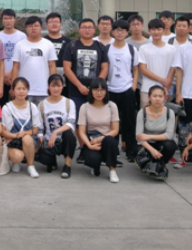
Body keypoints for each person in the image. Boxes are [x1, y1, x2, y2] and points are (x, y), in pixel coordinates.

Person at [105, 19, 139, 161]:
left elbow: (136, 69)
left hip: (127, 89)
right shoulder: (107, 48)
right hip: (110, 89)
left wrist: (133, 86)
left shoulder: (131, 49)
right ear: (112, 31)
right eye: (117, 30)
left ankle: (131, 150)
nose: (120, 33)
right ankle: (113, 150)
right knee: (111, 122)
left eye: (123, 30)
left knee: (129, 121)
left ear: (127, 32)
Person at [62, 18, 110, 118]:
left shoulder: (100, 47)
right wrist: (79, 86)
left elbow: (105, 68)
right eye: (84, 27)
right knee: (77, 118)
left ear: (94, 30)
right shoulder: (71, 46)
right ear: (79, 30)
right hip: (75, 91)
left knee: (95, 119)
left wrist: (96, 86)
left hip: (96, 93)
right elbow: (67, 68)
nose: (87, 30)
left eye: (90, 28)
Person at [77, 78, 120, 183]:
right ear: (91, 91)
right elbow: (81, 132)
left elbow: (115, 130)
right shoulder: (84, 107)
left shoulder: (112, 106)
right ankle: (95, 166)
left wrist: (101, 138)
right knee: (93, 159)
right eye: (96, 89)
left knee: (110, 140)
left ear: (106, 91)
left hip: (107, 140)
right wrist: (89, 145)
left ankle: (112, 170)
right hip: (91, 140)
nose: (99, 93)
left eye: (102, 90)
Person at [36, 74, 77, 178]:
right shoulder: (42, 104)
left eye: (58, 86)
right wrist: (41, 138)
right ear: (48, 87)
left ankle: (67, 165)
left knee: (69, 135)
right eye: (53, 86)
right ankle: (52, 161)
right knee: (44, 159)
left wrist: (56, 132)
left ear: (62, 87)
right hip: (49, 141)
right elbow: (39, 126)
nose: (56, 89)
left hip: (63, 140)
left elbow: (71, 123)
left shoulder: (69, 103)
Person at [1, 77, 42, 178]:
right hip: (12, 140)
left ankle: (31, 166)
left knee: (27, 138)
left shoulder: (32, 107)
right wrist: (16, 135)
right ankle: (15, 162)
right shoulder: (7, 108)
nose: (21, 91)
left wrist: (24, 134)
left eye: (24, 88)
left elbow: (35, 129)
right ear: (13, 90)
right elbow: (3, 131)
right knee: (17, 157)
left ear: (28, 90)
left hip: (29, 140)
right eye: (18, 88)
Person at [11, 16, 57, 106]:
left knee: (43, 114)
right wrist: (13, 87)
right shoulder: (19, 45)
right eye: (30, 26)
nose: (33, 28)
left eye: (36, 26)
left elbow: (52, 66)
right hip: (23, 90)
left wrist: (52, 86)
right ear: (26, 28)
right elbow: (15, 67)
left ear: (41, 28)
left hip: (44, 90)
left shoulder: (48, 45)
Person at [135, 86, 177, 180]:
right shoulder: (142, 112)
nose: (157, 99)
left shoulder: (169, 113)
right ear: (149, 97)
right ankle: (157, 167)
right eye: (154, 96)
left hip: (160, 142)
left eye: (160, 96)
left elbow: (169, 135)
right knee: (136, 149)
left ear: (165, 98)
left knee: (171, 145)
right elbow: (139, 137)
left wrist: (149, 136)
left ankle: (158, 165)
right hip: (146, 144)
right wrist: (152, 150)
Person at [139, 19, 176, 105]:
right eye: (153, 29)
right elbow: (143, 69)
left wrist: (165, 86)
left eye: (159, 29)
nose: (156, 32)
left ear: (163, 30)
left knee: (164, 113)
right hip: (147, 89)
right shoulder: (143, 48)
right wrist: (162, 80)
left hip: (165, 90)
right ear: (149, 31)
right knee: (145, 112)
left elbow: (173, 68)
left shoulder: (172, 49)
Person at [0, 9, 26, 106]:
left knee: (18, 106)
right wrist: (3, 76)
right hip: (1, 79)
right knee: (0, 106)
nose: (8, 21)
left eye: (10, 18)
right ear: (2, 20)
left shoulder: (22, 36)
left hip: (18, 77)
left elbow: (23, 58)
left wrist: (11, 74)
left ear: (15, 19)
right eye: (5, 18)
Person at [43, 12, 72, 84]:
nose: (54, 24)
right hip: (45, 73)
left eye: (56, 22)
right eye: (51, 22)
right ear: (46, 25)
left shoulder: (68, 42)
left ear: (61, 24)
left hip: (64, 75)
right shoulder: (42, 41)